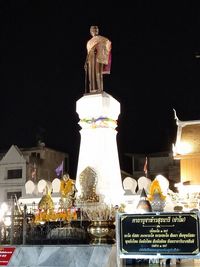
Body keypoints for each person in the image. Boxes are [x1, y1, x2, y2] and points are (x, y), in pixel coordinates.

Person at [85, 26, 112, 93]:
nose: (94, 31)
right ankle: (93, 90)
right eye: (93, 30)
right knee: (91, 74)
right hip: (91, 59)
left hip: (98, 57)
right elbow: (88, 53)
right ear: (90, 32)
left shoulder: (102, 39)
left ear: (98, 31)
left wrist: (99, 48)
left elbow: (108, 46)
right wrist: (86, 61)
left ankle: (100, 89)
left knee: (98, 73)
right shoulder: (89, 42)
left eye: (96, 29)